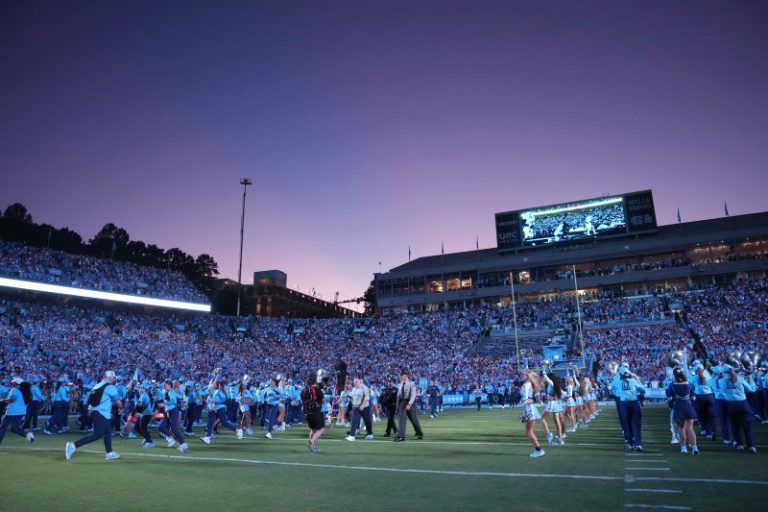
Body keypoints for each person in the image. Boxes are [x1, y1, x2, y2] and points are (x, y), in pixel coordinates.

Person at [66, 370, 122, 460]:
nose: (114, 379)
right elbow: (118, 401)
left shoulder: (97, 385)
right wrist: (120, 408)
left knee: (107, 432)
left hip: (94, 411)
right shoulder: (110, 386)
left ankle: (110, 452)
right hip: (100, 412)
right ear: (110, 377)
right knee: (98, 434)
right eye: (114, 378)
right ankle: (73, 445)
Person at [720, 364, 757, 453]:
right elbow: (752, 389)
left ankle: (740, 445)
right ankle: (751, 446)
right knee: (747, 425)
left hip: (731, 404)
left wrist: (728, 397)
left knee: (735, 425)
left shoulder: (723, 380)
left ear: (724, 372)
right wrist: (751, 380)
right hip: (742, 403)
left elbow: (722, 392)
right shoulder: (740, 378)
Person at [614, 364, 646, 451]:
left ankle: (630, 443)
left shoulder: (618, 382)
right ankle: (638, 444)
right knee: (636, 424)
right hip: (634, 403)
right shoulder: (633, 381)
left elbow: (614, 391)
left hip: (624, 404)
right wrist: (637, 379)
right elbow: (643, 389)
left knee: (627, 424)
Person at [667, 367, 698, 455]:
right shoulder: (690, 384)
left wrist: (670, 406)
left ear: (674, 375)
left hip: (678, 406)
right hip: (688, 406)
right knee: (690, 428)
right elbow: (693, 398)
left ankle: (683, 447)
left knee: (682, 428)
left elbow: (670, 398)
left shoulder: (672, 385)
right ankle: (694, 447)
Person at [0, 377, 35, 448]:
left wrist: (3, 400)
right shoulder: (26, 391)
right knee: (14, 428)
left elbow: (13, 399)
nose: (12, 383)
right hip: (22, 412)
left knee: (3, 427)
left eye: (13, 382)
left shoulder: (15, 389)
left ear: (16, 383)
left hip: (11, 412)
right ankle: (27, 434)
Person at [157, 380, 190, 452]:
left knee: (175, 429)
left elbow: (172, 401)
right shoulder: (165, 392)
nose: (164, 386)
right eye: (164, 385)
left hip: (173, 412)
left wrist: (164, 403)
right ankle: (171, 438)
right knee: (161, 427)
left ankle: (183, 445)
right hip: (167, 412)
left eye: (165, 385)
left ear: (170, 385)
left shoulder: (172, 392)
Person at [520, 371, 545, 458]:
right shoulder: (528, 384)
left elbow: (528, 399)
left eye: (523, 374)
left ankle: (539, 450)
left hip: (529, 409)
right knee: (527, 431)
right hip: (527, 408)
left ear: (527, 376)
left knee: (529, 431)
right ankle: (537, 449)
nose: (521, 375)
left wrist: (527, 400)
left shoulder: (527, 384)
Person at [394, 369, 423, 442]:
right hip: (402, 402)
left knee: (413, 419)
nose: (400, 376)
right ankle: (401, 436)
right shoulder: (400, 384)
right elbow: (398, 396)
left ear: (405, 375)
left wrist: (409, 404)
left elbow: (413, 394)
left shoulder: (411, 383)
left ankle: (419, 433)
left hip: (410, 402)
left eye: (401, 375)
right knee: (401, 419)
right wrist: (397, 406)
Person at [301, 371, 326, 453]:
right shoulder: (317, 390)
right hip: (315, 412)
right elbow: (323, 400)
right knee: (321, 429)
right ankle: (311, 443)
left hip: (307, 412)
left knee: (313, 429)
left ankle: (313, 447)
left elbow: (303, 401)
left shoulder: (304, 390)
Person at [345, 375, 373, 441]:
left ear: (360, 381)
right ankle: (352, 436)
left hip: (364, 407)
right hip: (356, 407)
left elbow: (367, 398)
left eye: (356, 382)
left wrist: (362, 405)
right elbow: (352, 396)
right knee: (354, 420)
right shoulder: (354, 389)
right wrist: (347, 396)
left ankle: (370, 434)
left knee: (367, 421)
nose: (355, 383)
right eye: (354, 382)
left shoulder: (364, 387)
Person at [134, 381, 155, 448]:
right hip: (143, 414)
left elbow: (141, 406)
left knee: (143, 428)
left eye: (142, 388)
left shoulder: (144, 396)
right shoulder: (142, 395)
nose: (140, 389)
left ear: (145, 389)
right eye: (140, 388)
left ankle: (150, 442)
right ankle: (147, 438)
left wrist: (136, 406)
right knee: (136, 427)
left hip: (146, 414)